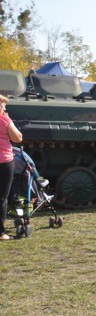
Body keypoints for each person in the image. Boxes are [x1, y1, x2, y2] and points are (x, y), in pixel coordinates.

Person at [0, 94, 23, 240]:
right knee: (2, 197)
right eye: (3, 105)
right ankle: (1, 233)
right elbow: (18, 138)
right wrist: (7, 120)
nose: (5, 107)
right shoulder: (4, 120)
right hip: (3, 161)